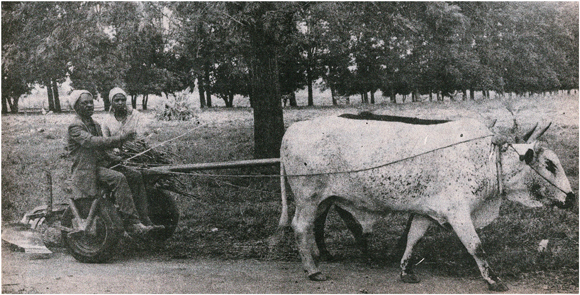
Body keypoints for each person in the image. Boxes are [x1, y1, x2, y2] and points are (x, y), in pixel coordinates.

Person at [66, 90, 160, 234]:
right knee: (119, 178)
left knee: (135, 175)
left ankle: (144, 219)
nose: (90, 105)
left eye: (91, 102)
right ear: (76, 106)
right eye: (85, 103)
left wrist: (117, 159)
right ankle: (132, 223)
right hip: (86, 170)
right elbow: (93, 142)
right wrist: (121, 138)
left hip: (100, 165)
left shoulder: (95, 125)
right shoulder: (74, 126)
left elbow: (102, 149)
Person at [101, 87, 157, 226]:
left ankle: (143, 214)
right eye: (117, 100)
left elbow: (141, 136)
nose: (120, 103)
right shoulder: (107, 120)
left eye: (123, 100)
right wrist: (115, 151)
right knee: (129, 176)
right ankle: (132, 217)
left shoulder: (136, 116)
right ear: (111, 103)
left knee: (139, 176)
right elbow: (105, 140)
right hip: (116, 155)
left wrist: (133, 148)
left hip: (136, 152)